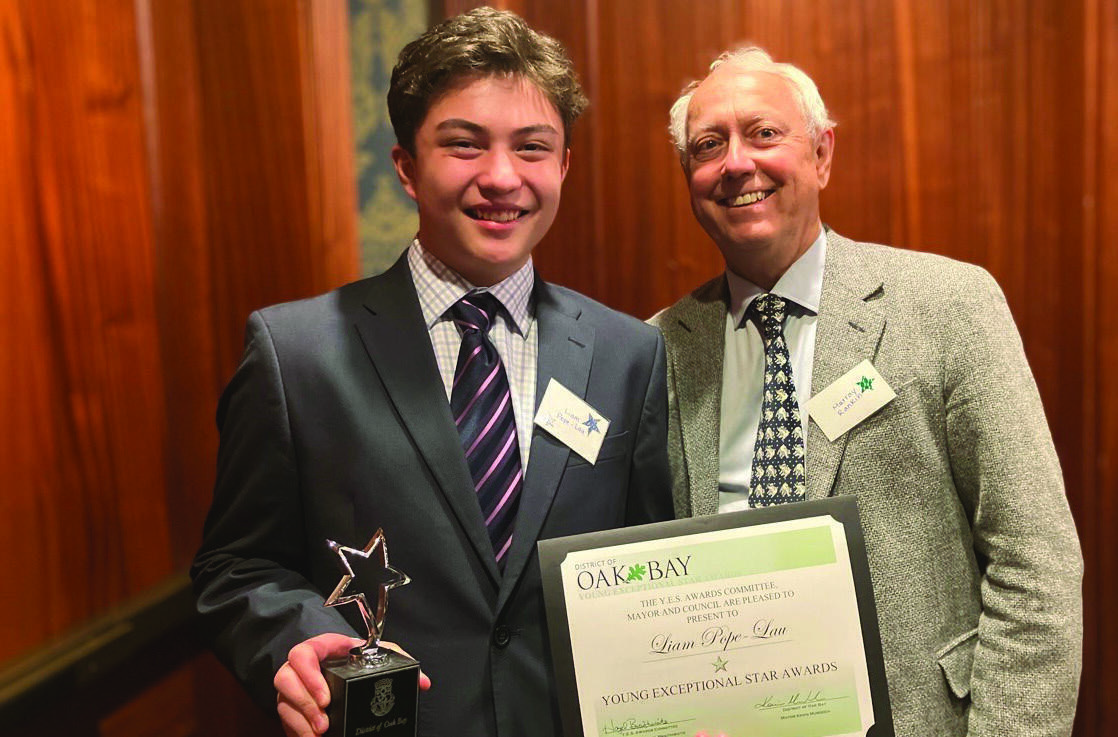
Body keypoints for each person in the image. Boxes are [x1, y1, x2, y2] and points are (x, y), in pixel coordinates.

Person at [190, 8, 672, 737]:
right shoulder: (296, 353)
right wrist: (292, 639)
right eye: (464, 145)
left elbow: (652, 567)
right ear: (407, 167)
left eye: (532, 148)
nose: (502, 177)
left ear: (564, 165)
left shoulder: (628, 352)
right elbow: (236, 566)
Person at [650, 47, 1082, 736]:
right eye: (709, 145)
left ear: (822, 155)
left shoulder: (948, 305)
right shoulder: (659, 349)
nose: (736, 162)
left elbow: (1035, 562)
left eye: (764, 133)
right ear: (689, 178)